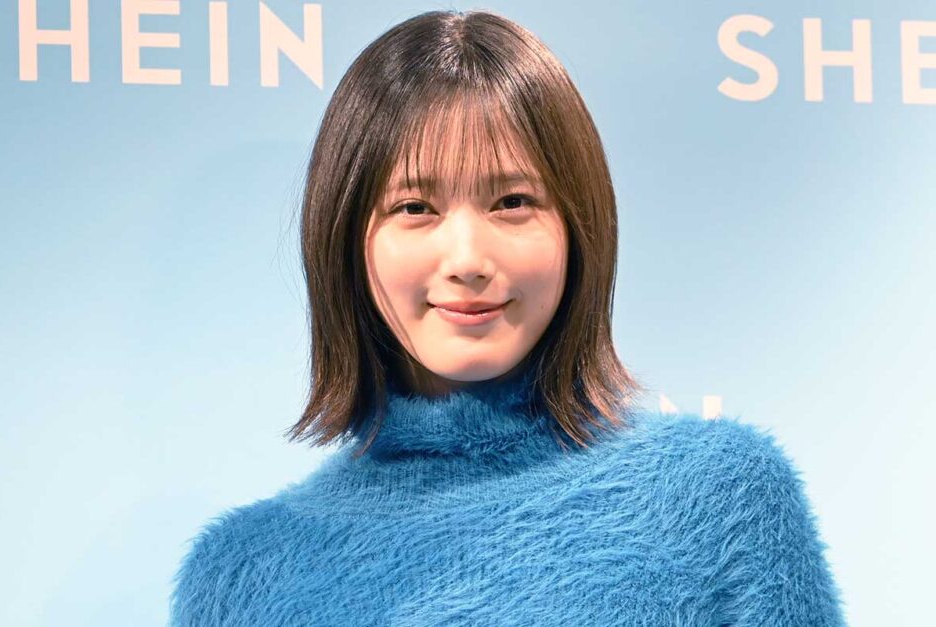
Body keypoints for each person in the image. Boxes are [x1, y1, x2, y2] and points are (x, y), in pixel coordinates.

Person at [168, 9, 846, 626]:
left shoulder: (717, 495)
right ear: (345, 238)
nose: (467, 259)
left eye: (512, 202)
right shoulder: (238, 574)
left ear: (579, 227)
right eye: (415, 208)